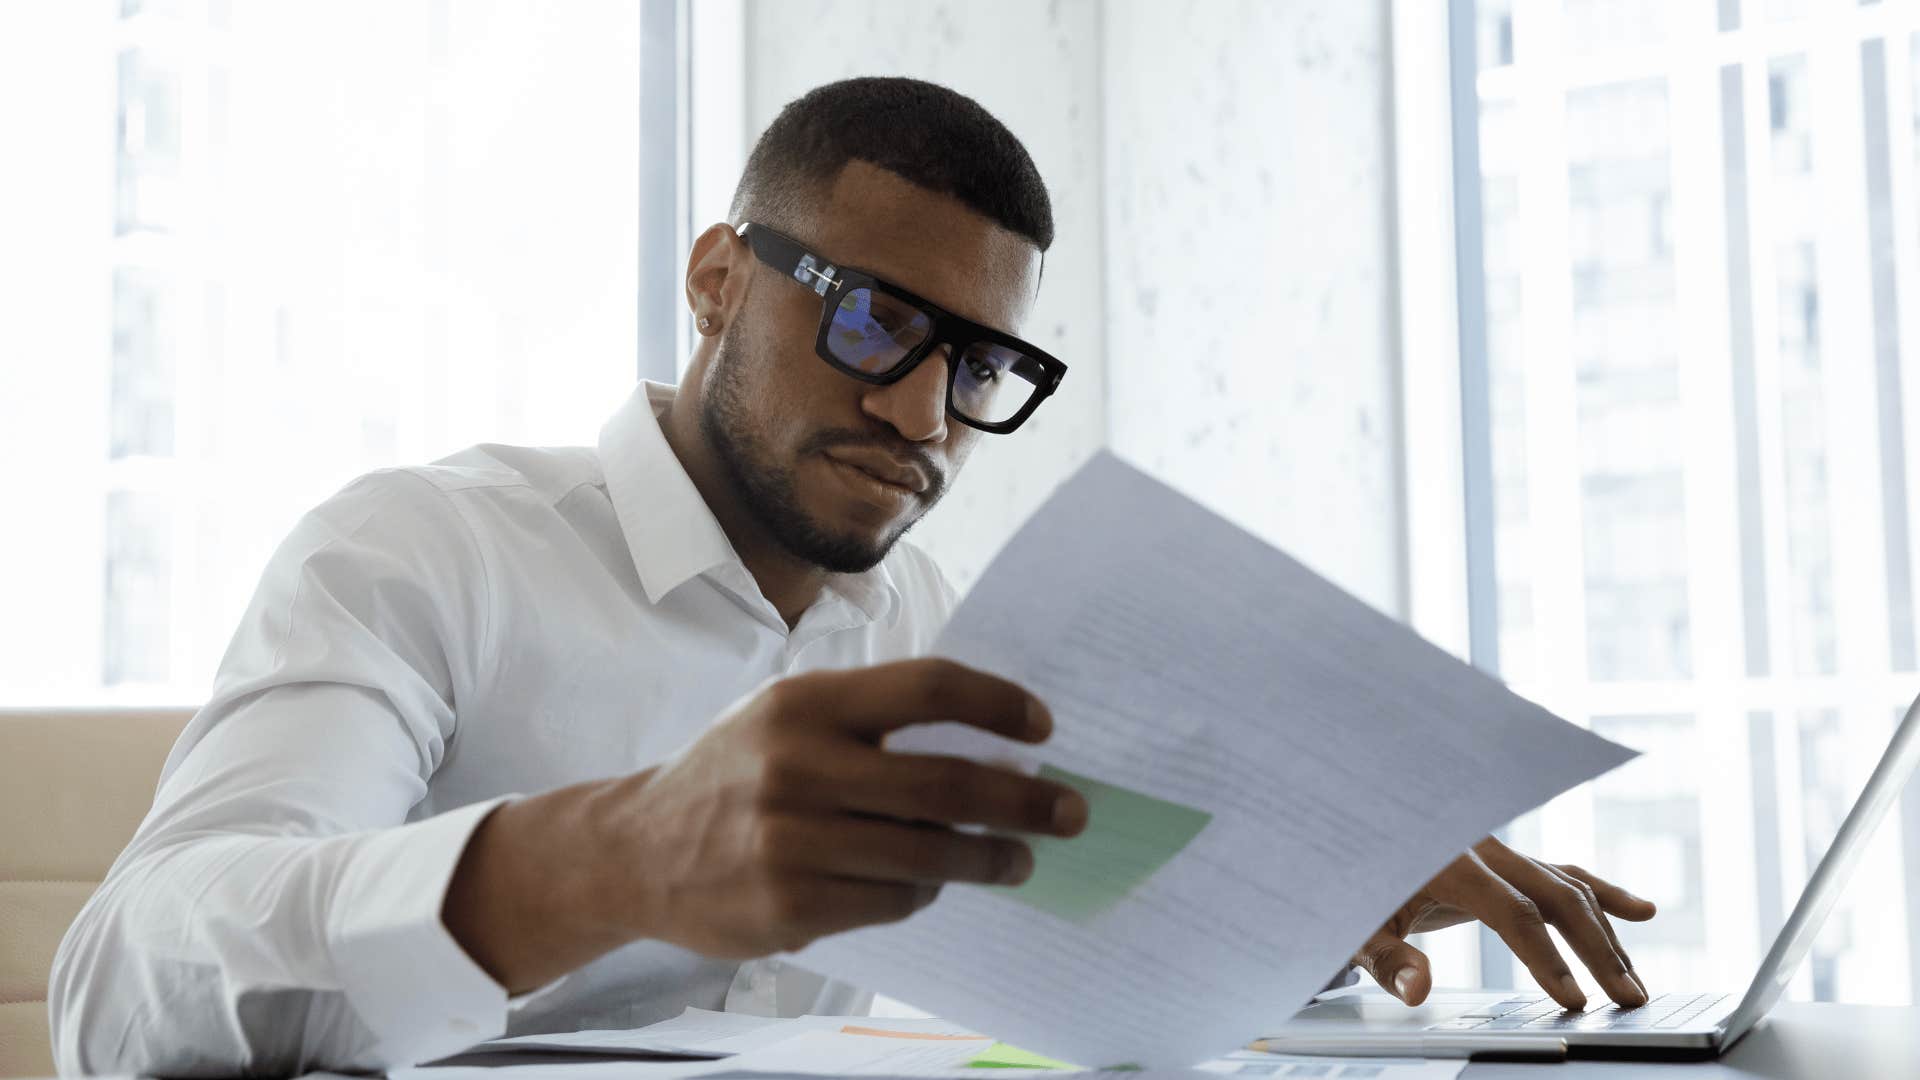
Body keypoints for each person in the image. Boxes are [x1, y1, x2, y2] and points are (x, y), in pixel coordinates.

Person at [48, 76, 1655, 1076]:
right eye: (876, 320)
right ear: (715, 280)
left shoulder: (936, 626)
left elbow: (1069, 916)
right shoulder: (422, 553)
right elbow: (119, 994)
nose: (919, 412)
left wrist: (1310, 891)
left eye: (978, 365)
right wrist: (617, 856)